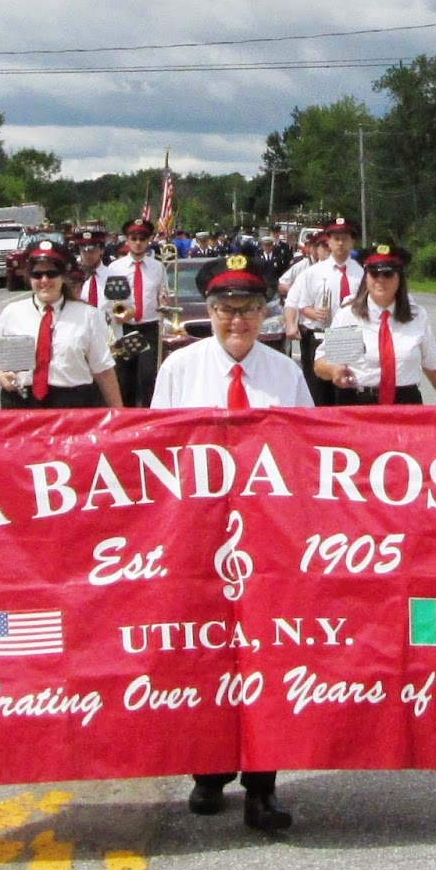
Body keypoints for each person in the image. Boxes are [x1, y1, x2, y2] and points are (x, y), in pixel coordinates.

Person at [151, 252, 312, 834]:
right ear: (208, 311)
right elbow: (157, 453)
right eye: (224, 310)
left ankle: (263, 787)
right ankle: (208, 773)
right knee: (203, 650)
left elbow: (308, 454)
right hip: (197, 534)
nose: (236, 321)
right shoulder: (179, 369)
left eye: (247, 309)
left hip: (268, 538)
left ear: (264, 313)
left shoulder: (284, 373)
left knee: (268, 655)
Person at [315, 243, 436, 405]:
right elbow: (321, 362)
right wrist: (334, 370)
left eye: (388, 274)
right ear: (366, 277)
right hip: (359, 403)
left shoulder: (417, 317)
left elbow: (433, 366)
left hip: (405, 405)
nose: (380, 280)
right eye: (374, 273)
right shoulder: (350, 317)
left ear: (399, 278)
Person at [0, 239, 123, 408]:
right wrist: (0, 376)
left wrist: (118, 415)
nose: (44, 280)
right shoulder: (12, 312)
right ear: (29, 277)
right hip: (21, 403)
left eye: (51, 274)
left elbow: (104, 371)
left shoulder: (88, 315)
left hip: (72, 404)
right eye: (37, 274)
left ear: (64, 276)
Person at [284, 215, 363, 405]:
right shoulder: (314, 273)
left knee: (345, 392)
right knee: (318, 393)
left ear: (352, 241)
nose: (340, 243)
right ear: (329, 241)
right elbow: (302, 303)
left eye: (345, 238)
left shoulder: (361, 273)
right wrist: (314, 313)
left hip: (348, 337)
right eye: (336, 238)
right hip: (319, 335)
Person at [105, 217, 166, 407]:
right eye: (134, 238)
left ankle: (147, 413)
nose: (138, 243)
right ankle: (128, 416)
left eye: (142, 238)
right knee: (126, 377)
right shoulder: (116, 267)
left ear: (149, 241)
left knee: (148, 377)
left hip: (149, 327)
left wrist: (165, 300)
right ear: (127, 240)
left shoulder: (157, 267)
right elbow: (111, 299)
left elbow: (162, 294)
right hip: (125, 327)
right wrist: (122, 312)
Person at [73, 227, 113, 308]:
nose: (88, 255)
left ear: (101, 250)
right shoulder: (73, 278)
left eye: (92, 251)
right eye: (84, 251)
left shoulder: (113, 277)